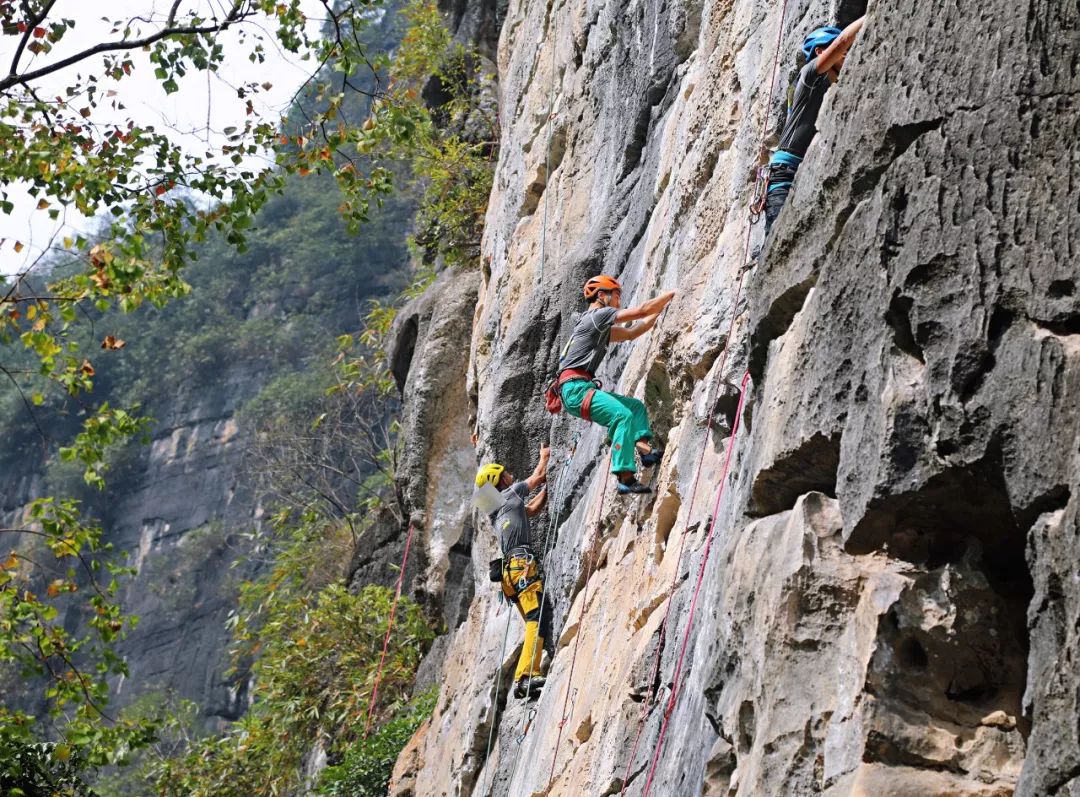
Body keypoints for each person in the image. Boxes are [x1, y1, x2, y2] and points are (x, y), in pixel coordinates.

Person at [556, 275, 674, 494]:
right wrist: (672, 294)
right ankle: (625, 477)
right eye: (617, 295)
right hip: (575, 388)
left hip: (578, 388)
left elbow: (632, 332)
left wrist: (661, 310)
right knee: (621, 416)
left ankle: (645, 452)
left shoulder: (595, 326)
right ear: (602, 296)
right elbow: (641, 311)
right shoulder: (597, 316)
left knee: (634, 408)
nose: (619, 300)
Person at [764, 16, 866, 234]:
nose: (848, 51)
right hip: (785, 172)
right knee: (778, 234)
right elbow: (843, 41)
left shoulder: (831, 87)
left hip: (800, 170)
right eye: (840, 49)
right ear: (820, 52)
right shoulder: (809, 75)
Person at [476, 446, 551, 699]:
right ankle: (525, 677)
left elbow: (530, 511)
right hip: (521, 566)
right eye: (504, 473)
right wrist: (544, 457)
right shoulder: (511, 493)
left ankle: (526, 676)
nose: (509, 474)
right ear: (499, 480)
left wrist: (548, 492)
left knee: (535, 621)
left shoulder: (498, 511)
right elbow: (538, 476)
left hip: (510, 575)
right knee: (536, 618)